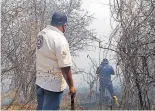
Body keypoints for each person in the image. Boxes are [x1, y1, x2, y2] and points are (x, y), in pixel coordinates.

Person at [35, 12, 76, 110]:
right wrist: (72, 86)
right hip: (52, 86)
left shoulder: (41, 34)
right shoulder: (60, 40)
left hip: (40, 82)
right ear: (63, 25)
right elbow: (65, 68)